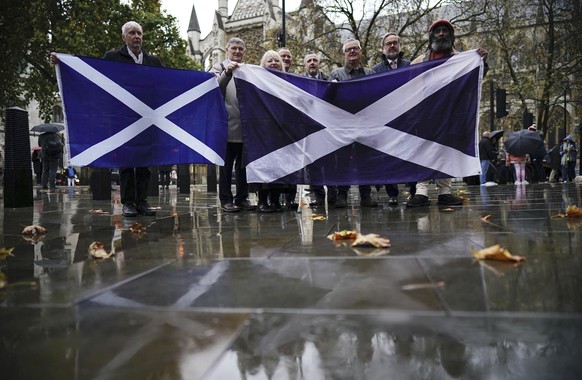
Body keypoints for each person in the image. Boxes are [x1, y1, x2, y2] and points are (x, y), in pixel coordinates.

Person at [406, 19, 488, 207]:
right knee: (423, 151)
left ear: (451, 36)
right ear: (431, 36)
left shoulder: (462, 59)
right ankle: (421, 192)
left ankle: (445, 191)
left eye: (445, 31)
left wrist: (482, 61)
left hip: (451, 115)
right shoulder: (418, 62)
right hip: (426, 115)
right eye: (438, 31)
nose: (441, 34)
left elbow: (476, 80)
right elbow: (409, 91)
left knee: (446, 152)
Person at [99, 21, 162, 217]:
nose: (136, 36)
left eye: (139, 33)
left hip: (147, 117)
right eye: (132, 33)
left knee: (144, 162)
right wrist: (62, 62)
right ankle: (128, 202)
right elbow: (96, 75)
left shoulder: (154, 61)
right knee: (126, 162)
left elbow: (166, 85)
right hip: (123, 117)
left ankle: (142, 202)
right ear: (123, 37)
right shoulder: (112, 57)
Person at [328, 38, 378, 208]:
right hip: (344, 125)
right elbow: (328, 100)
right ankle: (342, 195)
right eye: (348, 49)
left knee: (366, 160)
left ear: (360, 51)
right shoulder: (336, 74)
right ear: (344, 54)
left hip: (366, 124)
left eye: (355, 48)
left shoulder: (371, 74)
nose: (352, 52)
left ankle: (366, 195)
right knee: (343, 161)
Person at [210, 37, 256, 212]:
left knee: (243, 166)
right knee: (225, 167)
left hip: (245, 128)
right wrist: (227, 73)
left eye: (240, 49)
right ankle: (226, 199)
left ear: (244, 52)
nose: (237, 52)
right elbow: (215, 88)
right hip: (225, 127)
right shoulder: (218, 68)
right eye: (234, 48)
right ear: (227, 50)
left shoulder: (249, 71)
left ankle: (242, 198)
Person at [372, 32, 412, 205]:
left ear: (400, 46)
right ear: (383, 48)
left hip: (407, 119)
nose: (392, 46)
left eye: (395, 43)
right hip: (386, 121)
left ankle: (414, 190)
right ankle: (392, 194)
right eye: (389, 44)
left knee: (410, 155)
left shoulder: (410, 66)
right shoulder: (376, 70)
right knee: (388, 157)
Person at [252, 50, 288, 213]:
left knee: (279, 165)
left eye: (276, 60)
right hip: (262, 129)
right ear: (263, 64)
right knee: (264, 165)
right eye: (269, 60)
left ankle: (275, 200)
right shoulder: (256, 80)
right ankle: (262, 201)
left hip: (280, 129)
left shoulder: (287, 82)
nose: (273, 63)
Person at [302, 53, 333, 208]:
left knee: (330, 164)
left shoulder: (328, 81)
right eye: (309, 61)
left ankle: (333, 196)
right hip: (309, 130)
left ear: (319, 64)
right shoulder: (298, 82)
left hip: (327, 129)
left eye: (315, 60)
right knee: (314, 165)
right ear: (304, 65)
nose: (312, 63)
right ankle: (319, 196)